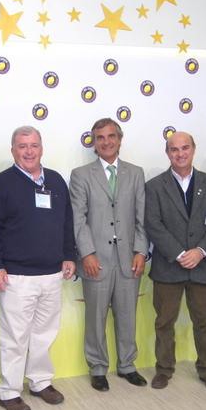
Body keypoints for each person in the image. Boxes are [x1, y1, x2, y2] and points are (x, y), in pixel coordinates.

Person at [0, 126, 76, 410]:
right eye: (22, 146)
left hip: (51, 274)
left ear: (41, 148)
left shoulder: (56, 181)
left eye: (34, 145)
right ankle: (9, 392)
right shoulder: (0, 184)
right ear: (13, 150)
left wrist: (69, 255)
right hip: (16, 276)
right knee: (15, 337)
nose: (28, 151)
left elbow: (67, 222)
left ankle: (40, 382)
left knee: (44, 334)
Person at [69, 118, 148, 392]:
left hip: (129, 259)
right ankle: (98, 368)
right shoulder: (81, 175)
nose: (106, 142)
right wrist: (87, 253)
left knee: (128, 316)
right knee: (95, 318)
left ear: (119, 139)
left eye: (111, 136)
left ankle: (127, 365)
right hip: (96, 261)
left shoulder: (136, 173)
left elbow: (142, 217)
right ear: (94, 142)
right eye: (100, 137)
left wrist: (141, 251)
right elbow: (78, 219)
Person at [145, 131, 206, 392]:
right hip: (169, 266)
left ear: (193, 149)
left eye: (185, 148)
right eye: (174, 149)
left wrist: (200, 251)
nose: (180, 154)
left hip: (203, 265)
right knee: (164, 322)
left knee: (204, 322)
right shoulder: (154, 186)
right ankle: (163, 370)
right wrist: (180, 254)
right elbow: (153, 224)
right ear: (167, 153)